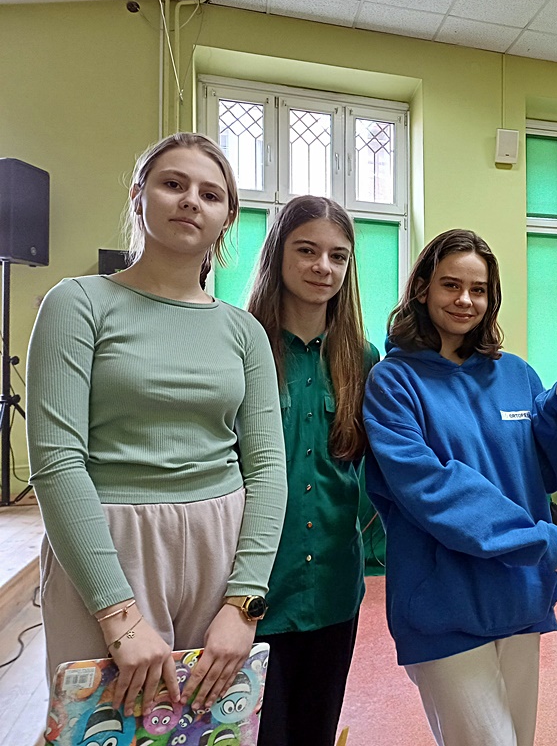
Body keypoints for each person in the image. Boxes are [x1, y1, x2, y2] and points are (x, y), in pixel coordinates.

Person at [26, 133, 287, 716]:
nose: (191, 200)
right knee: (107, 726)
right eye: (173, 184)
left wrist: (244, 603)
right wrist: (117, 614)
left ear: (227, 218)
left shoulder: (244, 331)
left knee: (204, 725)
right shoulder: (77, 303)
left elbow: (269, 467)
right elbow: (57, 462)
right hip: (107, 542)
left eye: (210, 194)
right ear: (138, 196)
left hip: (221, 544)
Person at [362, 229, 557, 746]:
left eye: (478, 290)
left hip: (520, 596)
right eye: (450, 285)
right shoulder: (393, 382)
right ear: (422, 289)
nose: (464, 300)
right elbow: (431, 488)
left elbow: (542, 472)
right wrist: (536, 539)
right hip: (444, 605)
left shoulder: (516, 374)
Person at [247, 196, 378, 746]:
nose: (323, 267)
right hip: (252, 590)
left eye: (337, 256)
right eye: (307, 251)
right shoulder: (242, 345)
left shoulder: (361, 359)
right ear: (277, 254)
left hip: (332, 588)